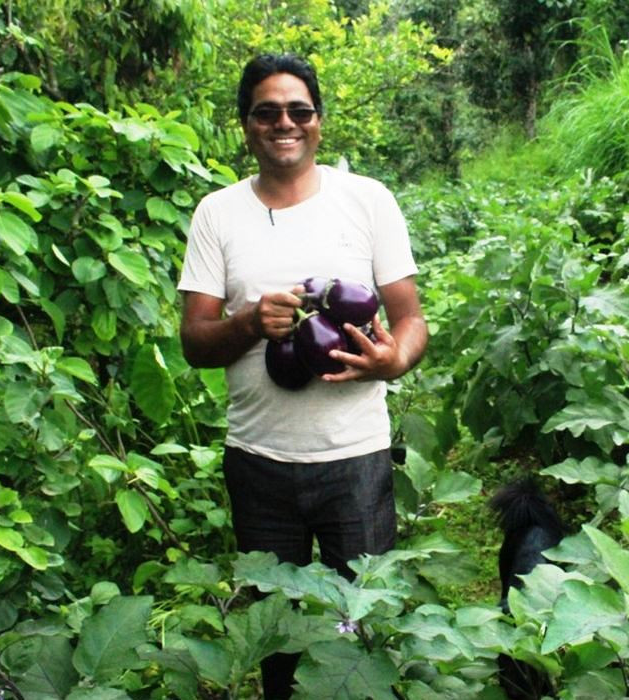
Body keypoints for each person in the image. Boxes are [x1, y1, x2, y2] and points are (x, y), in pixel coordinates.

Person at [176, 53, 428, 698]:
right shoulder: (217, 214)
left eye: (298, 110)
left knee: (367, 628)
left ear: (319, 121)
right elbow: (196, 344)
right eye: (266, 112)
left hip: (356, 459)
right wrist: (251, 324)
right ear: (246, 124)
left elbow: (410, 320)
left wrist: (392, 359)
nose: (283, 123)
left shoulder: (367, 200)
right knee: (275, 637)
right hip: (259, 462)